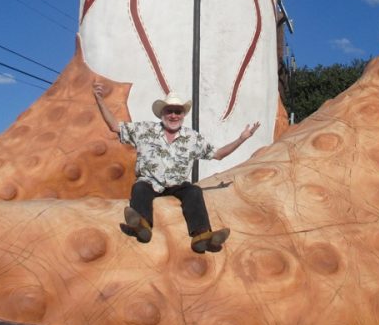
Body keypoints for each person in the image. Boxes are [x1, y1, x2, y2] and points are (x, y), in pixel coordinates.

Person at [93, 82, 259, 253]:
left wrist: (242, 139)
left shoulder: (192, 138)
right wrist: (100, 100)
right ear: (162, 113)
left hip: (177, 185)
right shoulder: (145, 130)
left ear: (183, 115)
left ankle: (201, 236)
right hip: (150, 182)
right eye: (169, 111)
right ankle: (142, 226)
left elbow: (218, 154)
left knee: (193, 191)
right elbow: (115, 126)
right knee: (139, 188)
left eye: (178, 111)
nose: (173, 115)